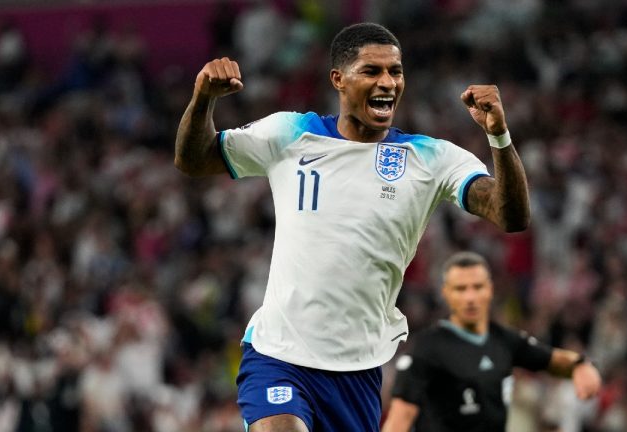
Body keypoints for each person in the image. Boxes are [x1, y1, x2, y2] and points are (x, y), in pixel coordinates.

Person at [175, 22, 530, 432]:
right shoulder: (290, 134)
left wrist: (499, 136)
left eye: (395, 72)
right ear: (338, 80)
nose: (388, 82)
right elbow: (194, 159)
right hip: (279, 352)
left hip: (357, 370)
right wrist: (203, 98)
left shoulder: (431, 158)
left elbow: (511, 216)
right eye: (372, 71)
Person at [382, 252, 602, 432]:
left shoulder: (505, 341)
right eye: (461, 289)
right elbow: (400, 417)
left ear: (488, 291)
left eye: (477, 287)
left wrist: (579, 366)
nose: (470, 297)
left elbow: (550, 359)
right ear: (446, 294)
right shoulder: (427, 348)